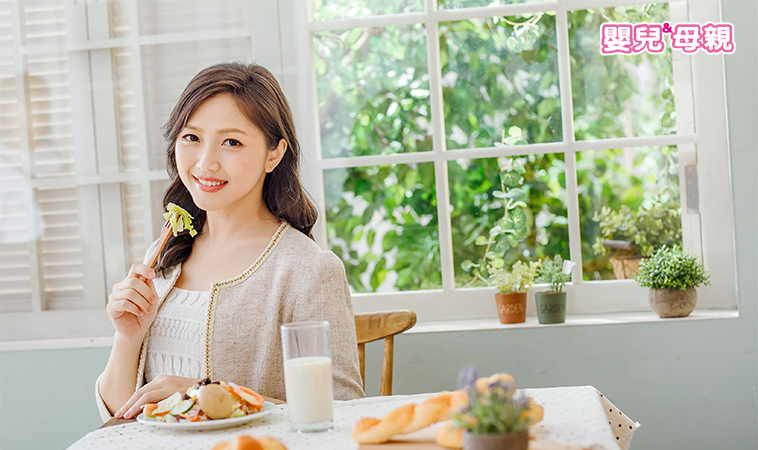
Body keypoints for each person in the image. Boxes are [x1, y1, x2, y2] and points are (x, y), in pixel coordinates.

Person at [95, 62, 365, 421]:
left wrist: (209, 395)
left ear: (275, 154)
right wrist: (128, 337)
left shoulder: (308, 270)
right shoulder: (164, 256)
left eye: (232, 142)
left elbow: (342, 413)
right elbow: (116, 417)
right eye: (191, 138)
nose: (205, 163)